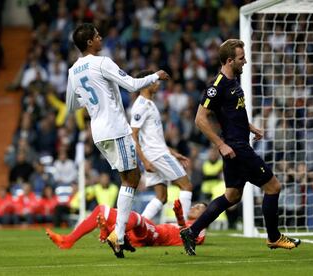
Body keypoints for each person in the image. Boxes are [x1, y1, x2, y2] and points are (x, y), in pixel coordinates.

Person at [180, 39, 301, 256]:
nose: (245, 61)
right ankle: (274, 237)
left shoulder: (235, 81)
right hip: (236, 148)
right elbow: (200, 119)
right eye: (241, 58)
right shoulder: (216, 87)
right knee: (273, 187)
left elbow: (234, 114)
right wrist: (221, 144)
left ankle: (192, 231)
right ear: (229, 61)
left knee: (232, 195)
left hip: (238, 145)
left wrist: (251, 127)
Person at [66, 23, 170, 255]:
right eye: (97, 36)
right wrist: (156, 75)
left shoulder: (73, 70)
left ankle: (120, 235)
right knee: (132, 178)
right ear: (90, 43)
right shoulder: (102, 62)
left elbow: (72, 104)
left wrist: (93, 101)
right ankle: (119, 235)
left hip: (98, 131)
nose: (101, 38)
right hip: (114, 128)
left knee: (128, 177)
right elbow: (132, 84)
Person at [46, 200, 207, 258]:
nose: (194, 207)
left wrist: (179, 216)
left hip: (156, 236)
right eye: (196, 205)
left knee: (135, 217)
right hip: (147, 235)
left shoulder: (201, 229)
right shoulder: (192, 222)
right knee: (101, 209)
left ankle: (110, 231)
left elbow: (188, 238)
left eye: (199, 207)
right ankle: (69, 240)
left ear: (206, 214)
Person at [130, 70, 193, 221]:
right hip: (156, 155)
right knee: (186, 186)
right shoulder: (141, 106)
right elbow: (133, 136)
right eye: (155, 81)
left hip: (156, 153)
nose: (158, 83)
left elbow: (153, 138)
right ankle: (183, 230)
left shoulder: (150, 103)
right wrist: (144, 161)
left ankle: (139, 227)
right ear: (146, 84)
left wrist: (173, 152)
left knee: (161, 197)